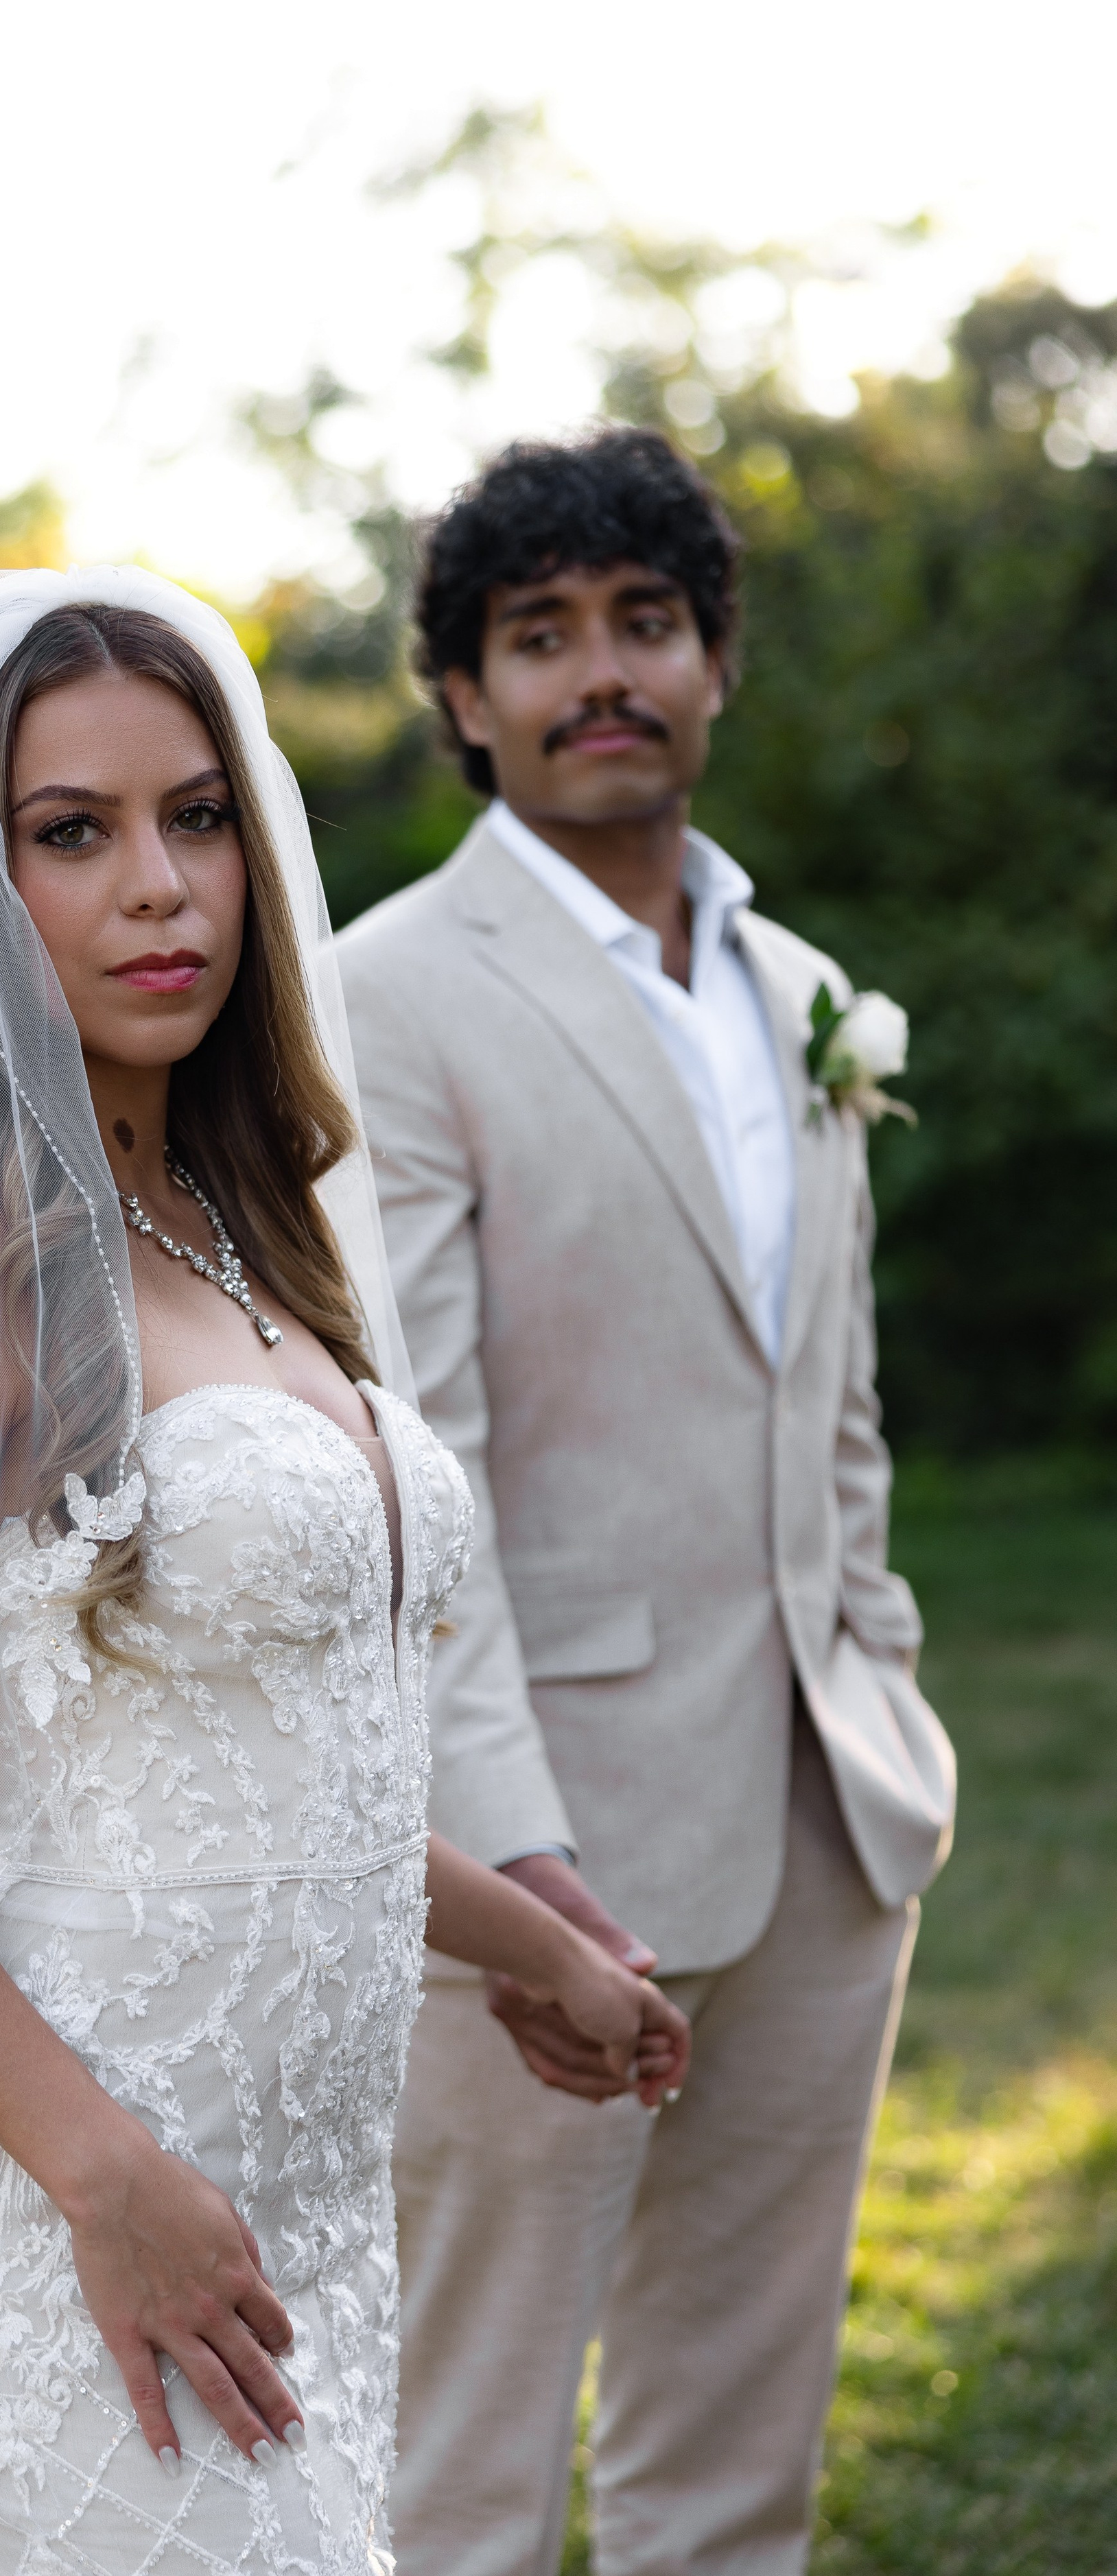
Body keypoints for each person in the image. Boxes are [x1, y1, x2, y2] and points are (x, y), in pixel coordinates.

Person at [0, 567, 689, 2576]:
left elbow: (293, 1776)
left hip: (308, 2227)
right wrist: (104, 2176)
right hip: (85, 2216)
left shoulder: (254, 1237)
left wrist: (545, 1955)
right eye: (70, 833)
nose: (159, 884)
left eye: (197, 814)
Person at [337, 431, 956, 2576]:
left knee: (740, 2458)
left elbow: (831, 1399)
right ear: (465, 699)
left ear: (716, 662)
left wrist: (872, 1661)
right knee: (467, 2459)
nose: (604, 673)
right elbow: (419, 1478)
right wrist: (521, 1867)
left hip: (827, 1810)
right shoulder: (389, 995)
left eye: (647, 623)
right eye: (541, 637)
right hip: (545, 1845)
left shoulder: (799, 999)